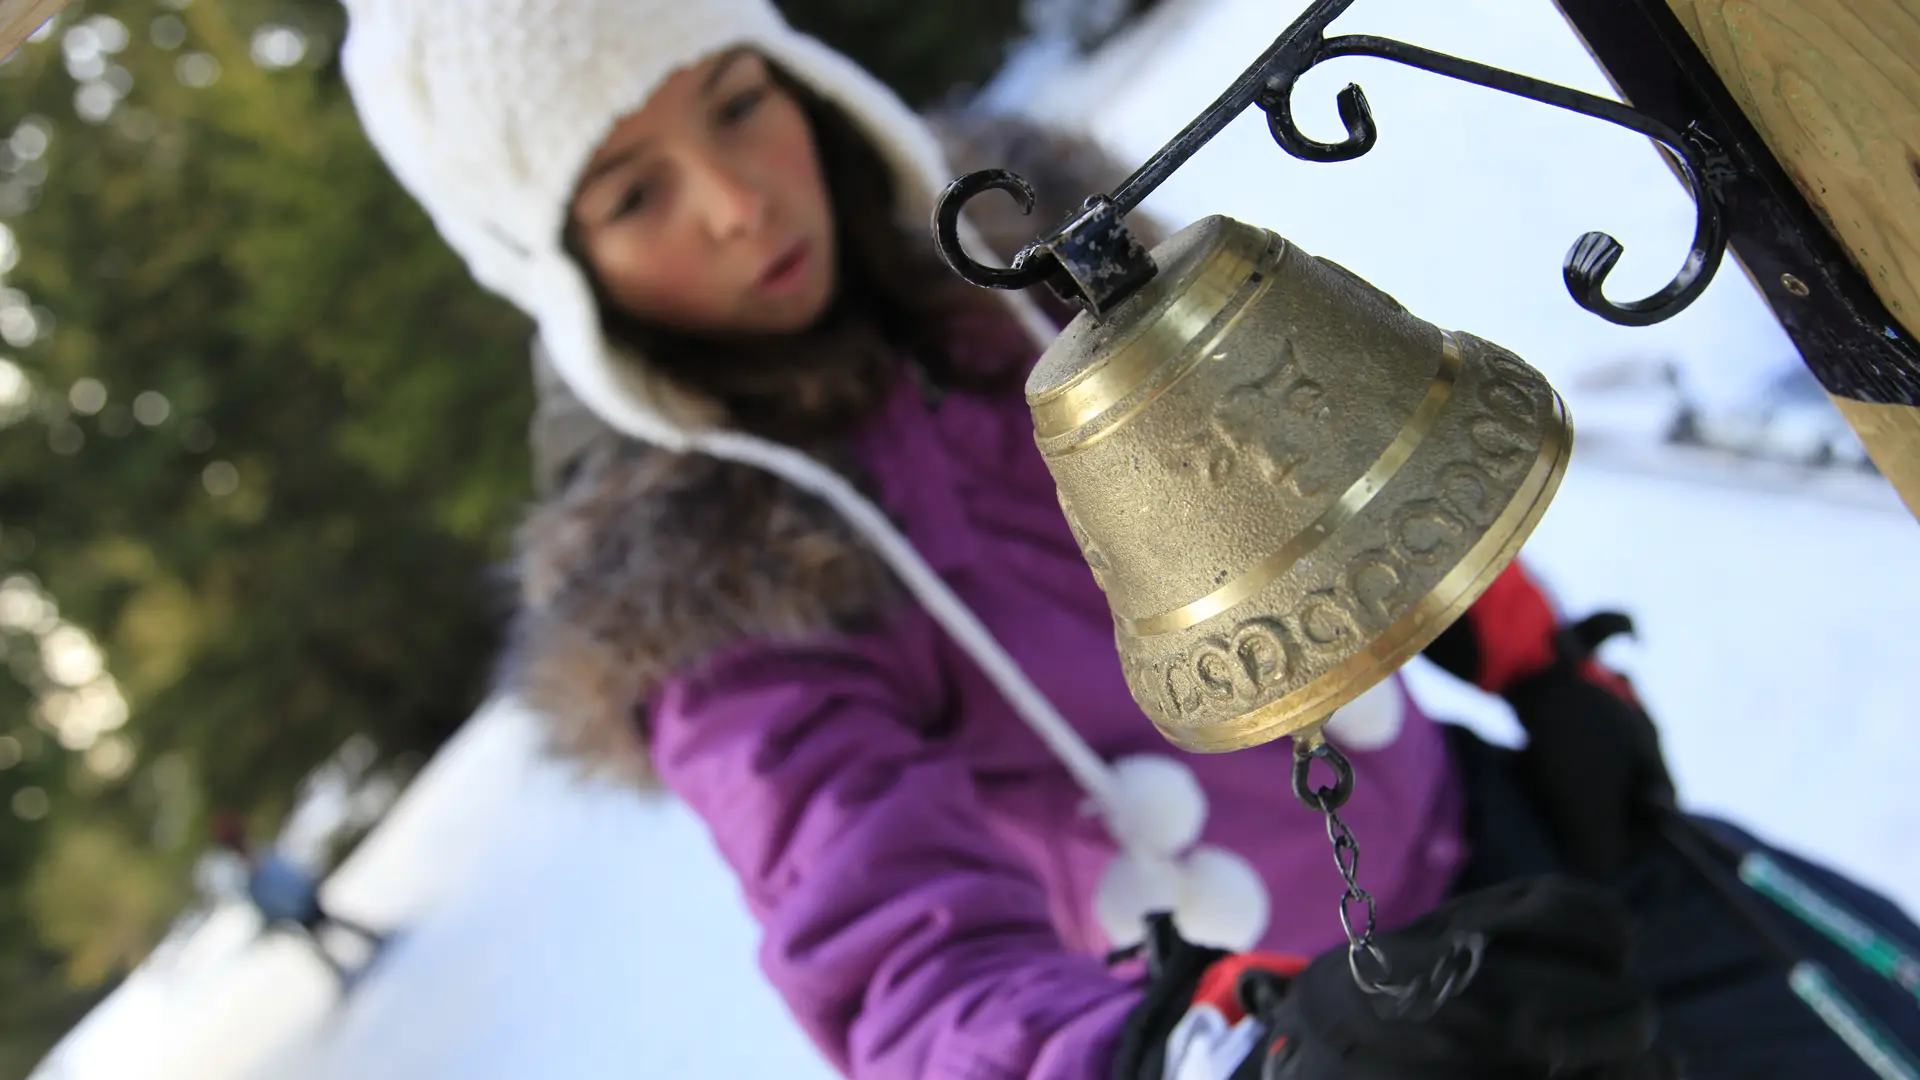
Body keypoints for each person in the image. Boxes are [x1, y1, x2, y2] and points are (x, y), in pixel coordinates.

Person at [335, 2, 1920, 1077]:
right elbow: (899, 966)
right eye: (633, 194)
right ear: (561, 270)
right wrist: (1248, 1058)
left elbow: (1318, 474)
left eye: (740, 103)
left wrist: (1532, 650)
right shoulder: (710, 609)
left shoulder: (1040, 265)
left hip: (1526, 847)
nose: (741, 203)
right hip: (1322, 1036)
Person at [211, 813, 389, 987]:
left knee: (328, 925)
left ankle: (368, 941)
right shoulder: (248, 870)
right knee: (320, 935)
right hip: (293, 906)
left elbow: (285, 873)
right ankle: (346, 966)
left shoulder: (259, 856)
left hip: (299, 898)